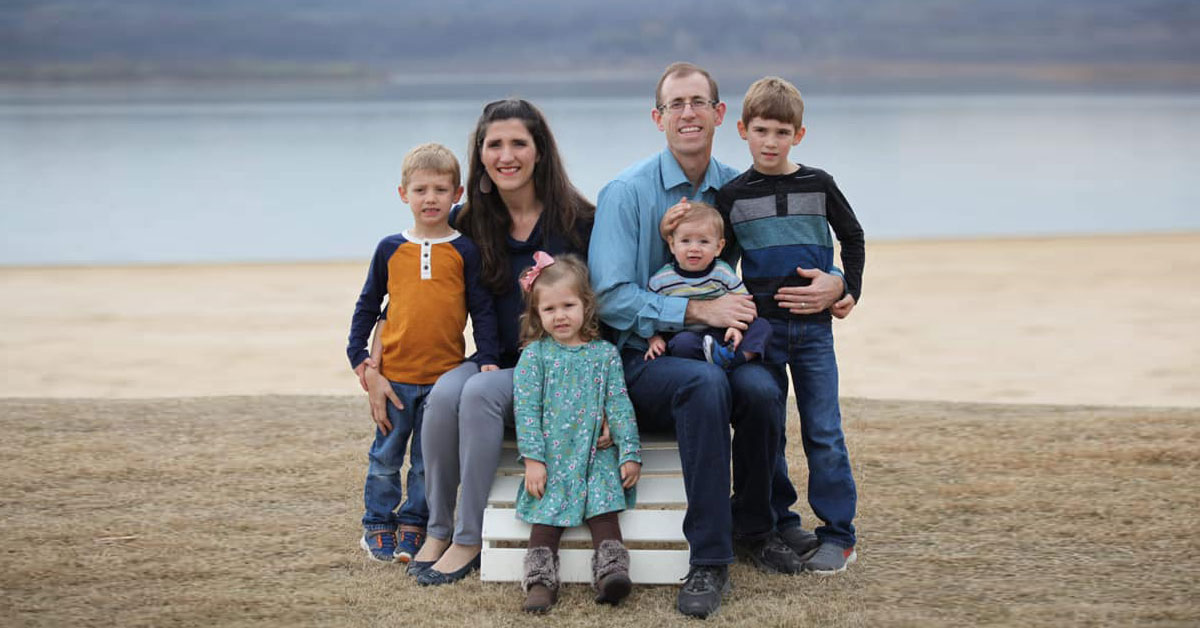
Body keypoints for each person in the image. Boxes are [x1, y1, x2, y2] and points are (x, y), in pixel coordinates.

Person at [589, 62, 849, 619]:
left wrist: (838, 283)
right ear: (658, 118)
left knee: (759, 386)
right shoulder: (626, 193)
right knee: (704, 384)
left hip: (722, 349)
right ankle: (710, 557)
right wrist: (693, 309)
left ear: (719, 114)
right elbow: (608, 298)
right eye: (675, 104)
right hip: (643, 356)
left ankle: (759, 525)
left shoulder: (740, 188)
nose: (688, 113)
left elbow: (780, 258)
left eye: (698, 102)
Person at [369, 100, 594, 585]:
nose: (506, 154)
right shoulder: (468, 222)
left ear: (540, 152)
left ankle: (469, 538)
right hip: (494, 359)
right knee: (446, 392)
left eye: (518, 143)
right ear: (481, 154)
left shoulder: (579, 220)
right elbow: (412, 291)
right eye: (495, 144)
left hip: (557, 367)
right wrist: (373, 361)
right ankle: (438, 529)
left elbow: (607, 302)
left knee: (476, 393)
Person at [714, 75, 865, 573]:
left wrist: (848, 288)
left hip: (815, 332)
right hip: (765, 334)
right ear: (742, 130)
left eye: (782, 132)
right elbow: (719, 263)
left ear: (799, 135)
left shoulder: (818, 184)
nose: (771, 141)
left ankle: (838, 534)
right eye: (761, 130)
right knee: (769, 430)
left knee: (823, 430)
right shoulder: (732, 196)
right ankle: (780, 519)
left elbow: (853, 236)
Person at [345, 142, 500, 564]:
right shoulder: (389, 248)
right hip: (394, 376)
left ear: (458, 194)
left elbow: (481, 308)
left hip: (442, 377)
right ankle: (377, 523)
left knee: (427, 463)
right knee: (385, 456)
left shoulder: (464, 250)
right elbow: (368, 304)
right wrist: (359, 357)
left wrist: (488, 355)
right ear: (403, 194)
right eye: (420, 190)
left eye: (439, 189)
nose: (430, 198)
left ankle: (415, 523)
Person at [511, 253, 641, 613]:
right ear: (537, 315)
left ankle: (611, 572)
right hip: (552, 458)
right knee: (546, 514)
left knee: (604, 508)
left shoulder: (605, 355)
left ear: (586, 305)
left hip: (595, 455)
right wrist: (534, 461)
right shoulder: (535, 356)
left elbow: (618, 404)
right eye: (549, 309)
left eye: (568, 305)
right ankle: (539, 582)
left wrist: (629, 451)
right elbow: (526, 411)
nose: (560, 315)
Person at [644, 201, 771, 370]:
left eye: (703, 241)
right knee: (681, 344)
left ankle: (734, 359)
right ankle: (718, 361)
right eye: (685, 241)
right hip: (689, 335)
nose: (694, 248)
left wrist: (735, 327)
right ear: (672, 245)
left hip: (722, 333)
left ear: (718, 247)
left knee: (762, 326)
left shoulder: (721, 272)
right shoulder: (662, 280)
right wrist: (653, 338)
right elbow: (648, 312)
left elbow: (743, 301)